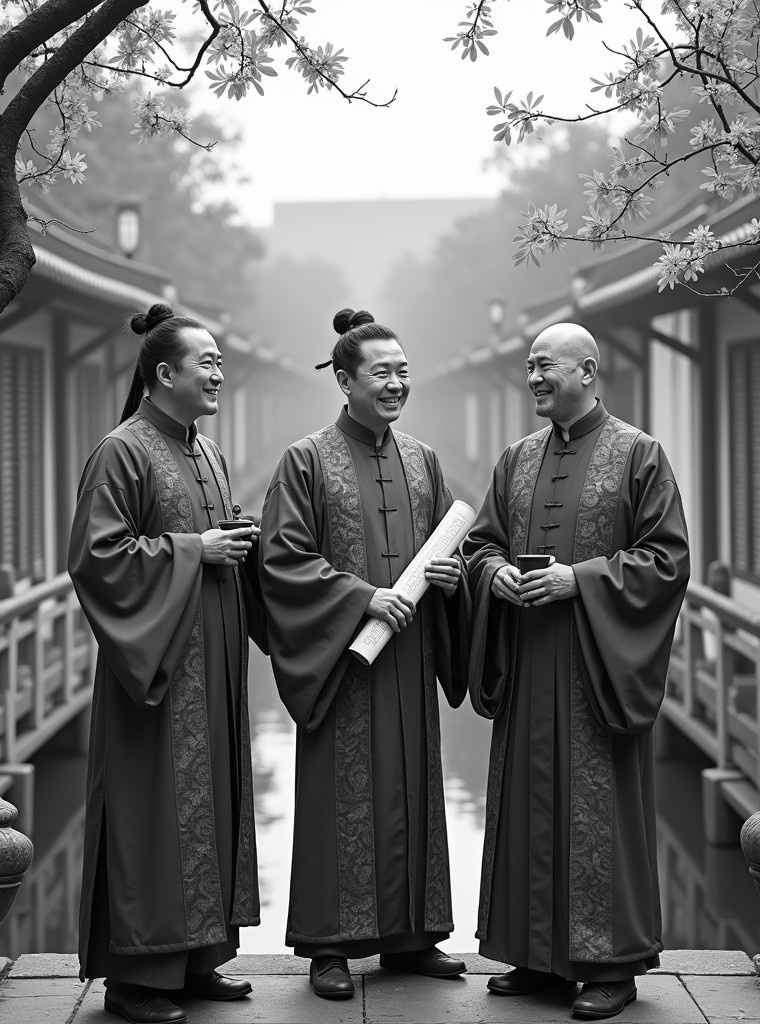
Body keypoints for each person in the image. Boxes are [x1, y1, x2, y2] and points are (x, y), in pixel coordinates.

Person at [465, 322, 690, 1021]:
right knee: (529, 803)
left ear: (588, 371)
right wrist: (496, 573)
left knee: (595, 812)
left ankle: (607, 964)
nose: (533, 376)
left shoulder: (638, 454)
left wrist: (580, 581)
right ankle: (535, 955)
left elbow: (666, 559)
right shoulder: (516, 459)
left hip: (598, 668)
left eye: (546, 366)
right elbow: (481, 542)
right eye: (529, 366)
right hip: (531, 662)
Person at [259, 308, 471, 999]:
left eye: (404, 371)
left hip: (407, 662)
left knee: (412, 786)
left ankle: (413, 937)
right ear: (344, 381)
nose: (397, 383)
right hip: (345, 663)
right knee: (342, 796)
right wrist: (360, 598)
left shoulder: (423, 460)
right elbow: (282, 560)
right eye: (382, 372)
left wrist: (451, 578)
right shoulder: (305, 460)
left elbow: (452, 549)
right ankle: (330, 942)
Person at [69, 303, 265, 1024]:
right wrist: (196, 551)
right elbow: (96, 557)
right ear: (163, 373)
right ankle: (137, 979)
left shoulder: (205, 451)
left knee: (209, 804)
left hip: (209, 662)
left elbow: (212, 537)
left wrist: (237, 538)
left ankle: (196, 958)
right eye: (207, 362)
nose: (220, 373)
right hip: (152, 672)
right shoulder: (122, 450)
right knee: (154, 814)